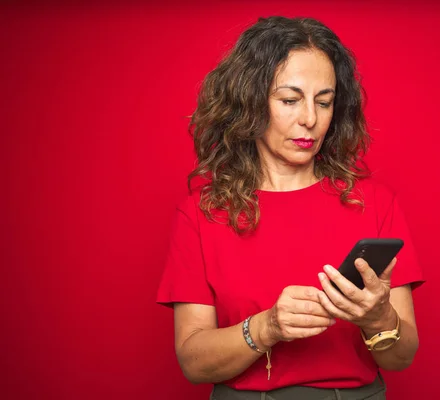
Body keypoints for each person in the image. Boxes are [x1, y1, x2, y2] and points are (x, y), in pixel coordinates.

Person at [157, 15, 425, 400]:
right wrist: (267, 328)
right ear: (250, 101)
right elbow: (193, 363)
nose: (310, 120)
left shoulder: (377, 203)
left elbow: (402, 358)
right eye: (289, 100)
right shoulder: (202, 211)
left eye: (324, 102)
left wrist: (378, 318)